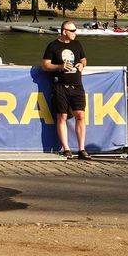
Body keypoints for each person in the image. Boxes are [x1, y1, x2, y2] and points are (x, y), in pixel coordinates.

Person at [42, 20, 89, 159]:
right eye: (72, 31)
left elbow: (84, 59)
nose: (75, 33)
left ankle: (81, 149)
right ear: (64, 32)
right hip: (60, 86)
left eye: (75, 30)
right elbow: (45, 65)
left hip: (77, 85)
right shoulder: (53, 46)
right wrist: (60, 67)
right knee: (61, 116)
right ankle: (66, 149)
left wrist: (81, 64)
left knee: (80, 115)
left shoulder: (77, 44)